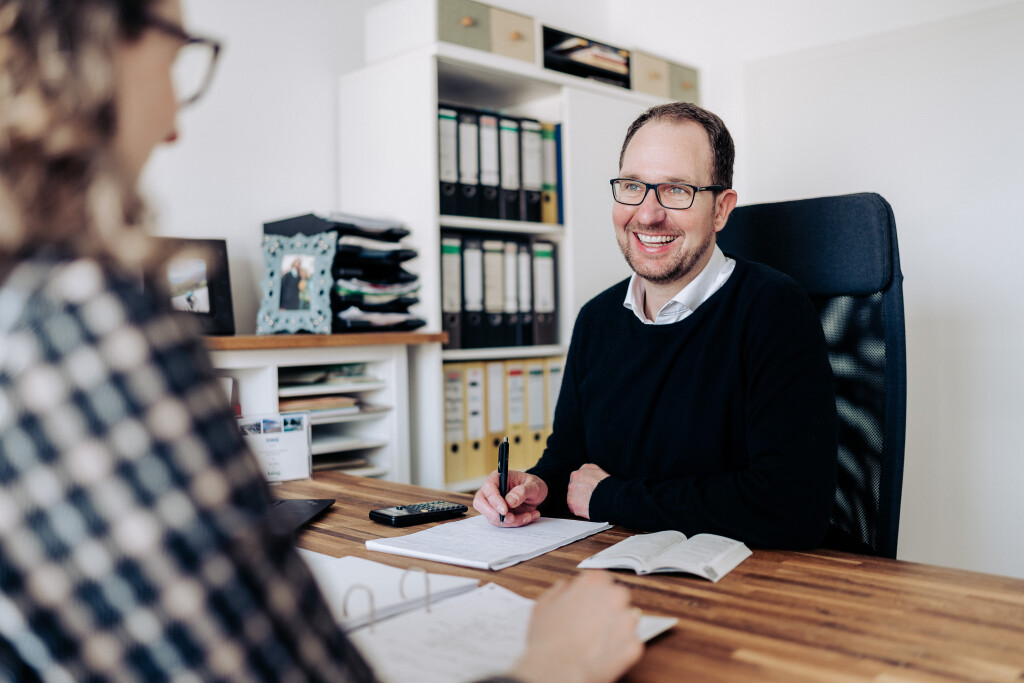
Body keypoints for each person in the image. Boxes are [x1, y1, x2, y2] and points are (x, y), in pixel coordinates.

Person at [0, 1, 642, 680]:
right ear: (99, 46)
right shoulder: (91, 330)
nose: (174, 128)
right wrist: (554, 666)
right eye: (176, 54)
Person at [474, 102, 838, 549]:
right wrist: (535, 489)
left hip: (738, 587)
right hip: (613, 575)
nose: (647, 215)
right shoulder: (597, 318)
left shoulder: (774, 310)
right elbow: (571, 464)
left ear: (721, 209)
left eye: (676, 190)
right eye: (632, 186)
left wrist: (612, 497)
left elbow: (791, 506)